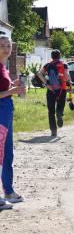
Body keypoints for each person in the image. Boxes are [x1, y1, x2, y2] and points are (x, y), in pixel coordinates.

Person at [0, 35, 26, 207]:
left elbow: (3, 89)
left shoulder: (4, 67)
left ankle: (8, 191)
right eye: (2, 45)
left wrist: (12, 86)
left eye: (8, 45)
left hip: (6, 113)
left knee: (8, 154)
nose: (6, 48)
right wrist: (13, 90)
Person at [37, 49, 72, 137]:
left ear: (52, 57)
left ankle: (53, 131)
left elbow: (39, 74)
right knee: (60, 106)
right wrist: (69, 84)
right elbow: (67, 76)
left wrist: (47, 84)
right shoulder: (64, 65)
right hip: (62, 90)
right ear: (59, 56)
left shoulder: (48, 65)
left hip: (51, 89)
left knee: (51, 111)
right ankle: (59, 114)